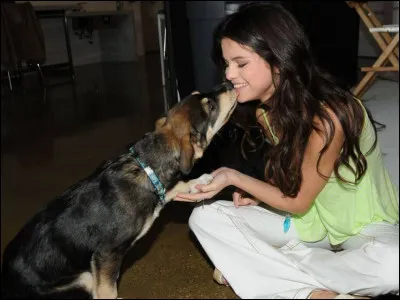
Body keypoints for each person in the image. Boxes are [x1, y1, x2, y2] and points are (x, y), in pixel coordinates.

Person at [173, 2, 399, 299]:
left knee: (393, 265)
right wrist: (261, 192)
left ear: (278, 59)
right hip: (309, 226)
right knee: (205, 217)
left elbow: (298, 201)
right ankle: (310, 291)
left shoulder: (329, 116)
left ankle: (264, 268)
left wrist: (232, 177)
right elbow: (299, 186)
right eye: (226, 64)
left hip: (363, 228)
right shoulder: (264, 113)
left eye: (240, 63)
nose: (229, 74)